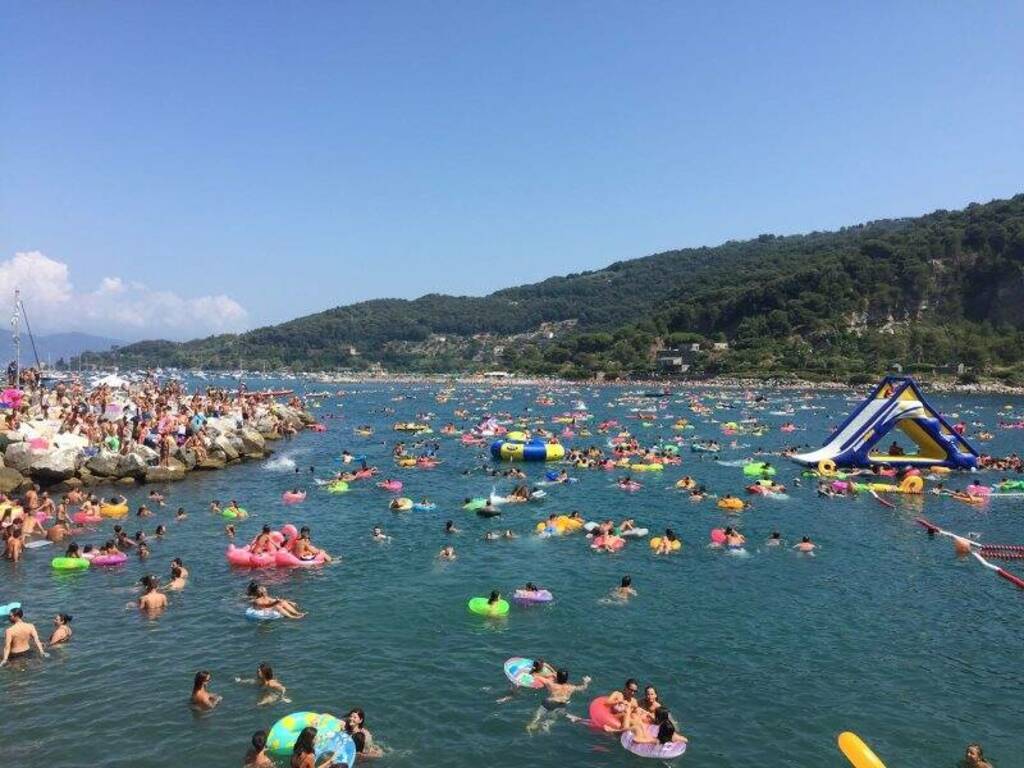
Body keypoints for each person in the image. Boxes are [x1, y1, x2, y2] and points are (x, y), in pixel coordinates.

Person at [527, 668, 592, 732]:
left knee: (539, 713)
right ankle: (546, 725)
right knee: (553, 718)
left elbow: (536, 676)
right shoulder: (571, 687)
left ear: (557, 677)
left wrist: (549, 674)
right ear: (566, 678)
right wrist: (586, 682)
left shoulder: (551, 684)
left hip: (549, 702)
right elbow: (583, 688)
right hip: (561, 705)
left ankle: (532, 724)